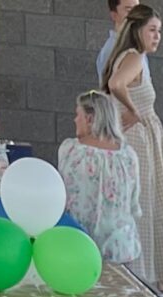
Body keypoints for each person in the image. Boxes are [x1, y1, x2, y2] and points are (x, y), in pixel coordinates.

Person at [102, 6, 163, 294]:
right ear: (137, 30)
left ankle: (150, 276)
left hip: (142, 139)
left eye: (159, 31)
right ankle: (141, 276)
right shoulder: (133, 57)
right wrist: (134, 109)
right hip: (137, 142)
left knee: (146, 205)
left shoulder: (128, 56)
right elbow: (115, 84)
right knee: (142, 206)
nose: (157, 36)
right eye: (152, 30)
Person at [59, 88, 142, 272]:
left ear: (89, 119)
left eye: (78, 115)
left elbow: (61, 197)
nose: (75, 120)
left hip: (78, 242)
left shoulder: (71, 151)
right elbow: (133, 202)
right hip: (119, 245)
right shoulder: (128, 155)